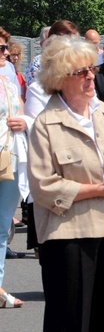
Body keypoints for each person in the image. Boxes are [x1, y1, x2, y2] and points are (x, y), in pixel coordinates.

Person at [28, 35, 104, 331]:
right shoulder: (45, 124)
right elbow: (43, 187)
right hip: (68, 237)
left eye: (93, 69)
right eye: (81, 72)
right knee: (71, 319)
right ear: (61, 79)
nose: (90, 76)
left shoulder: (103, 112)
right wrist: (101, 190)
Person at [0, 29, 29, 309]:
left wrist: (24, 122)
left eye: (6, 48)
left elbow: (24, 115)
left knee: (2, 226)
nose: (6, 54)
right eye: (0, 49)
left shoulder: (9, 83)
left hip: (10, 159)